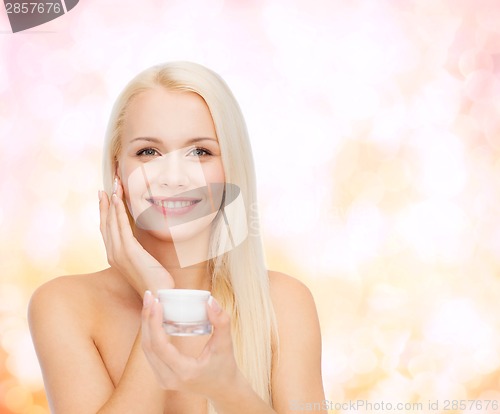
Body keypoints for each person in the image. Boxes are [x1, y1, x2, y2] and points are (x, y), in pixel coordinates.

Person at [28, 61, 326, 414]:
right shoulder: (64, 304)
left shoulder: (283, 304)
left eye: (200, 152)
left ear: (231, 167)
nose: (173, 177)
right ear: (117, 169)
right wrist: (163, 300)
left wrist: (229, 391)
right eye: (148, 152)